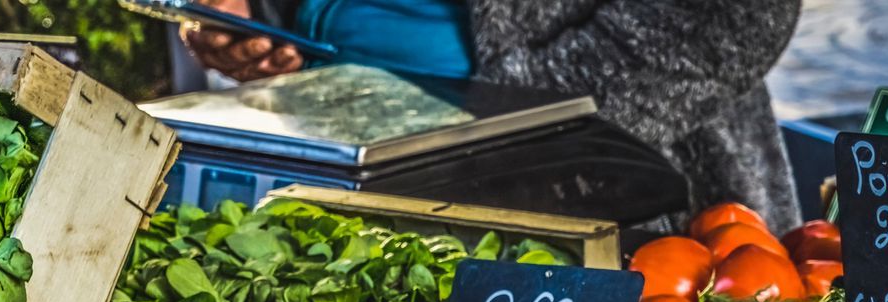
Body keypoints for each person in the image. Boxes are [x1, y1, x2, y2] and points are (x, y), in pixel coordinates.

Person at [184, 0, 802, 229]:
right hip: (333, 170)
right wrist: (252, 18)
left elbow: (735, 16)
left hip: (601, 199)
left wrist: (505, 121)